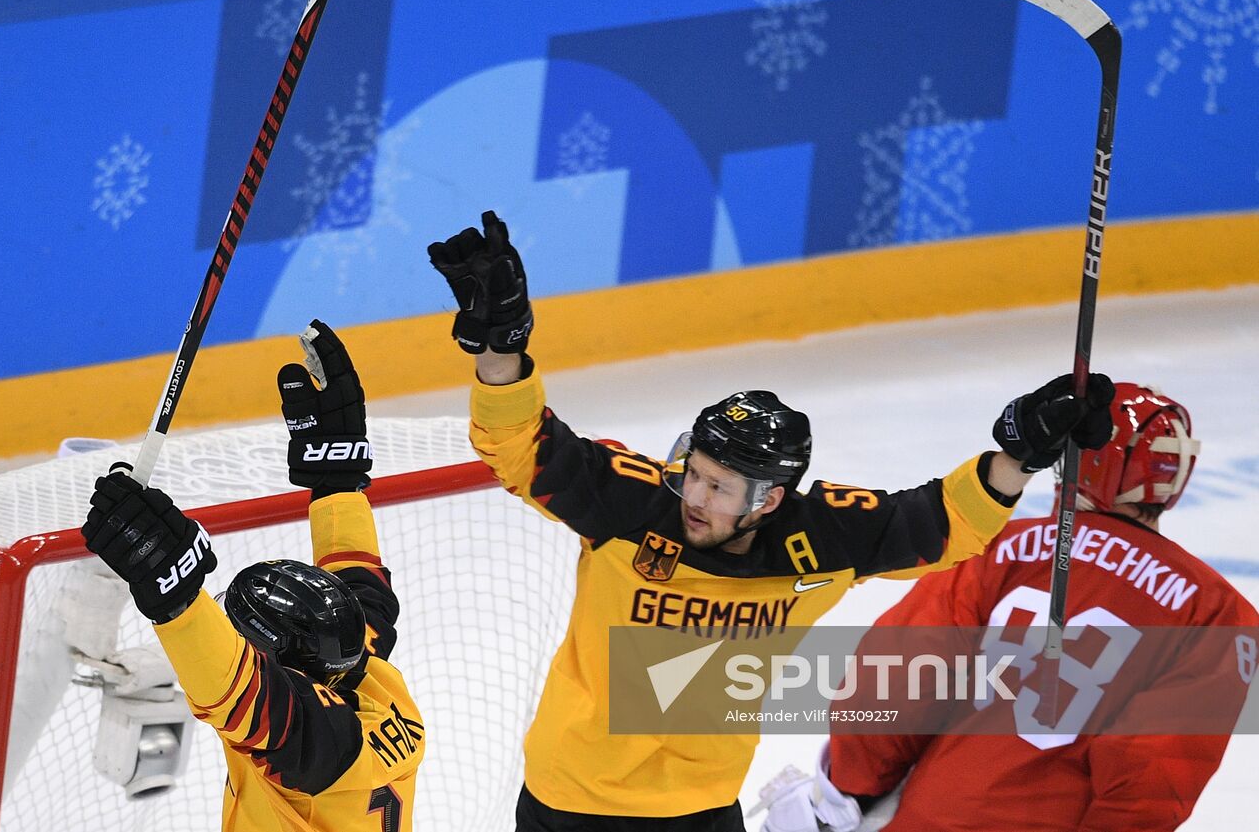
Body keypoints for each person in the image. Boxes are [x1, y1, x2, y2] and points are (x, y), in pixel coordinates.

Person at [425, 211, 1115, 830]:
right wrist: (500, 348)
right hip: (573, 807)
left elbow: (943, 522)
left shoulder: (818, 540)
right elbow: (518, 446)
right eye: (694, 472)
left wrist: (1020, 454)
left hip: (704, 808)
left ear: (771, 500)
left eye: (720, 487)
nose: (695, 497)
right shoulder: (633, 504)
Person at [755, 383, 1259, 832]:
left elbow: (898, 675)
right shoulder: (1221, 614)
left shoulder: (1002, 547)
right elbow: (1156, 767)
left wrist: (846, 792)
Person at [80, 321, 425, 831]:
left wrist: (175, 597)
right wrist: (337, 481)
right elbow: (360, 590)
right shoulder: (370, 679)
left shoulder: (322, 746)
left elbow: (235, 691)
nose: (237, 644)